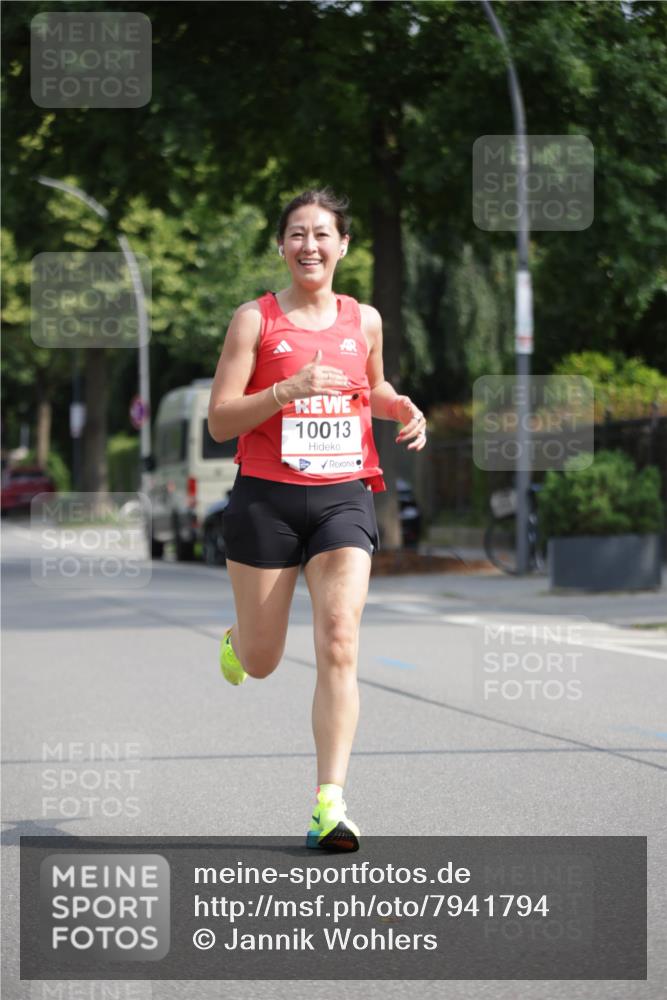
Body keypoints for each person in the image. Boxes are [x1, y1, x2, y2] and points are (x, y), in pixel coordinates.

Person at [207, 188, 426, 852]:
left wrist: (398, 408)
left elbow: (373, 387)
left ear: (343, 246)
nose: (309, 245)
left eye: (322, 234)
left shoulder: (364, 321)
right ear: (281, 246)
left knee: (338, 640)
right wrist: (283, 391)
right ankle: (239, 639)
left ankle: (328, 805)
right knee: (265, 660)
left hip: (342, 495)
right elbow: (220, 420)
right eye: (297, 234)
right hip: (265, 500)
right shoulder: (254, 321)